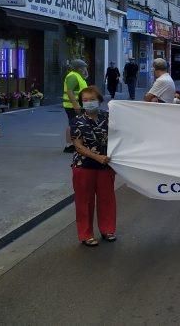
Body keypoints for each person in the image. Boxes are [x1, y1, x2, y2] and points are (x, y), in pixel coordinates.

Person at [70, 86, 116, 247]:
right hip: (84, 166)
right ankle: (86, 234)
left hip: (106, 166)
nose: (89, 103)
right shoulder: (77, 121)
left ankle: (107, 229)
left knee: (107, 198)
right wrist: (97, 157)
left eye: (92, 100)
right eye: (85, 100)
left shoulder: (109, 117)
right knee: (84, 201)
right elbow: (78, 146)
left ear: (99, 100)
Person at [62, 59, 89, 153]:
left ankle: (74, 144)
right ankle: (69, 145)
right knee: (72, 124)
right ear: (78, 68)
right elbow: (70, 91)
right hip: (72, 106)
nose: (85, 69)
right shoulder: (73, 76)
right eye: (83, 68)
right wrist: (75, 105)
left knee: (75, 124)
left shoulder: (77, 76)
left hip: (77, 105)